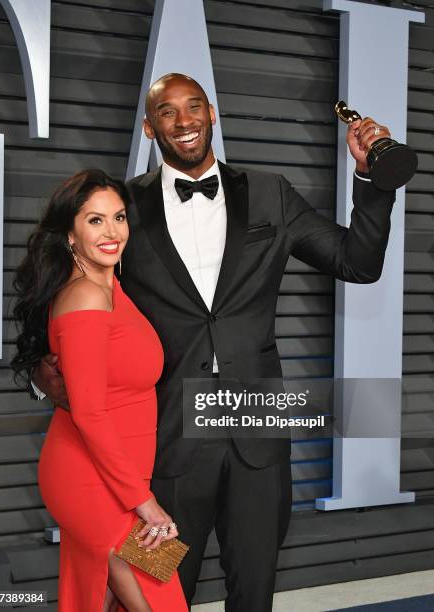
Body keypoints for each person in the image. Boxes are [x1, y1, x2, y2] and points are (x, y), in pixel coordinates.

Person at [33, 74, 396, 611]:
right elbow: (70, 303)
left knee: (254, 590)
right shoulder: (122, 208)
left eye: (194, 107)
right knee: (157, 592)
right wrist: (50, 372)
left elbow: (357, 263)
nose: (184, 121)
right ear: (150, 127)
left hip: (257, 430)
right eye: (168, 112)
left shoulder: (271, 192)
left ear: (213, 114)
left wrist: (372, 179)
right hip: (165, 444)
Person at [11, 169, 188, 612]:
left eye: (119, 217)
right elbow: (89, 413)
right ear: (70, 232)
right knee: (162, 602)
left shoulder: (113, 289)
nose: (112, 232)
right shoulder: (85, 297)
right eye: (95, 220)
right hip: (91, 482)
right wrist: (145, 504)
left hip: (121, 477)